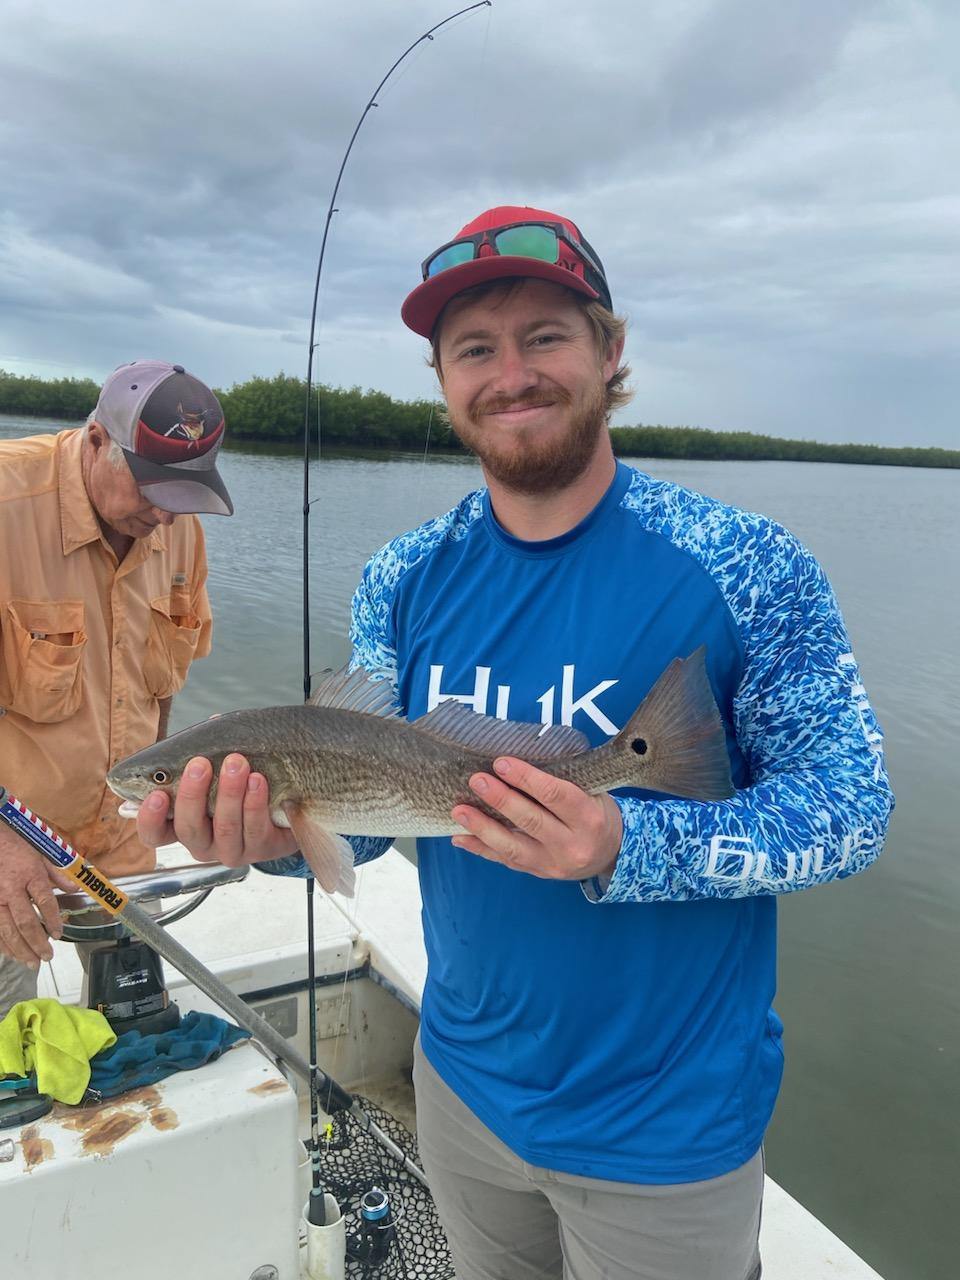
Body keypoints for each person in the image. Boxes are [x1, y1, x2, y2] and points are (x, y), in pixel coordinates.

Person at [136, 208, 894, 1280]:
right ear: (443, 378)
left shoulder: (745, 563)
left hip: (664, 1130)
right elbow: (383, 812)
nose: (511, 372)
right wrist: (258, 832)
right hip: (463, 1090)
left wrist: (623, 846)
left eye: (545, 335)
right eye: (474, 349)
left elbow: (851, 808)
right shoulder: (404, 574)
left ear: (609, 350)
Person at [0, 360, 233, 1017]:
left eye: (187, 490)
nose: (166, 511)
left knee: (135, 1028)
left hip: (127, 842)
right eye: (152, 484)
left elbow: (162, 690)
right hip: (12, 847)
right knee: (10, 1055)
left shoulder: (176, 527)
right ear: (98, 440)